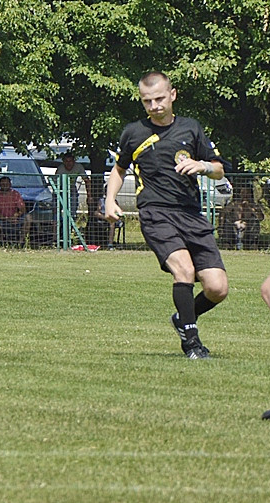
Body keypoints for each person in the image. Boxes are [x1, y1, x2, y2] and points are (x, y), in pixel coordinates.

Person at [104, 71, 227, 359]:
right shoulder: (133, 133)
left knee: (217, 288)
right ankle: (192, 344)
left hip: (191, 214)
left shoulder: (191, 128)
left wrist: (203, 166)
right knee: (184, 270)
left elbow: (219, 168)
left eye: (159, 98)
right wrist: (109, 200)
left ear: (172, 95)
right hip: (155, 213)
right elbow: (119, 170)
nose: (154, 105)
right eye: (147, 101)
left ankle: (182, 318)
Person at [0, 176, 26, 242]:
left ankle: (21, 241)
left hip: (15, 218)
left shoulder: (16, 194)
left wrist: (16, 216)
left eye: (6, 184)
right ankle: (1, 240)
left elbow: (22, 209)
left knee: (28, 218)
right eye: (3, 184)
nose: (5, 185)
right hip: (0, 219)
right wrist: (6, 219)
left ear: (10, 184)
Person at [56, 152, 88, 216]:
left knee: (73, 204)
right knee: (56, 206)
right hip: (60, 187)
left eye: (70, 161)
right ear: (63, 162)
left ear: (74, 161)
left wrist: (89, 195)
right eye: (66, 161)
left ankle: (72, 218)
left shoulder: (78, 167)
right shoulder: (60, 169)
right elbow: (55, 182)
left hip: (71, 187)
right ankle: (57, 220)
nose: (68, 163)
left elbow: (87, 180)